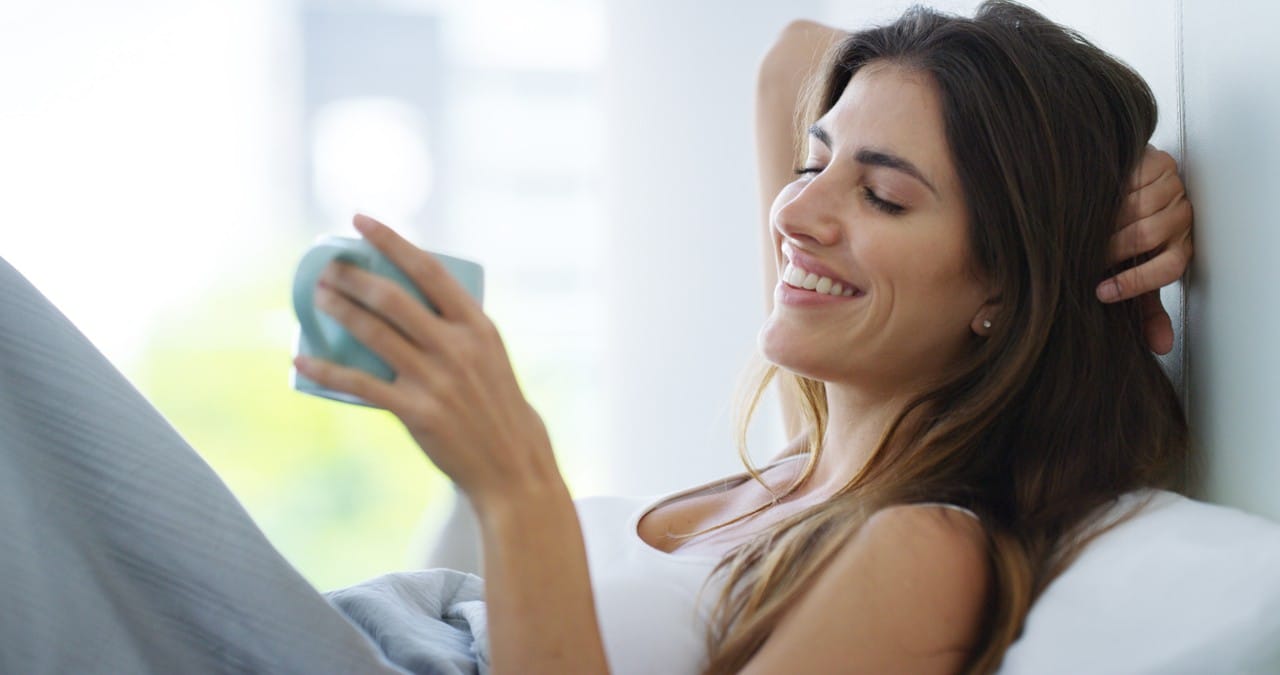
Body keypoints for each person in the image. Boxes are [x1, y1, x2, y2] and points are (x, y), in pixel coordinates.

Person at [0, 1, 1193, 674]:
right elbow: (790, 57)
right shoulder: (808, 456)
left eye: (881, 196)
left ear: (1006, 288)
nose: (795, 212)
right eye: (812, 162)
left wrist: (514, 483)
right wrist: (1107, 174)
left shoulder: (924, 543)